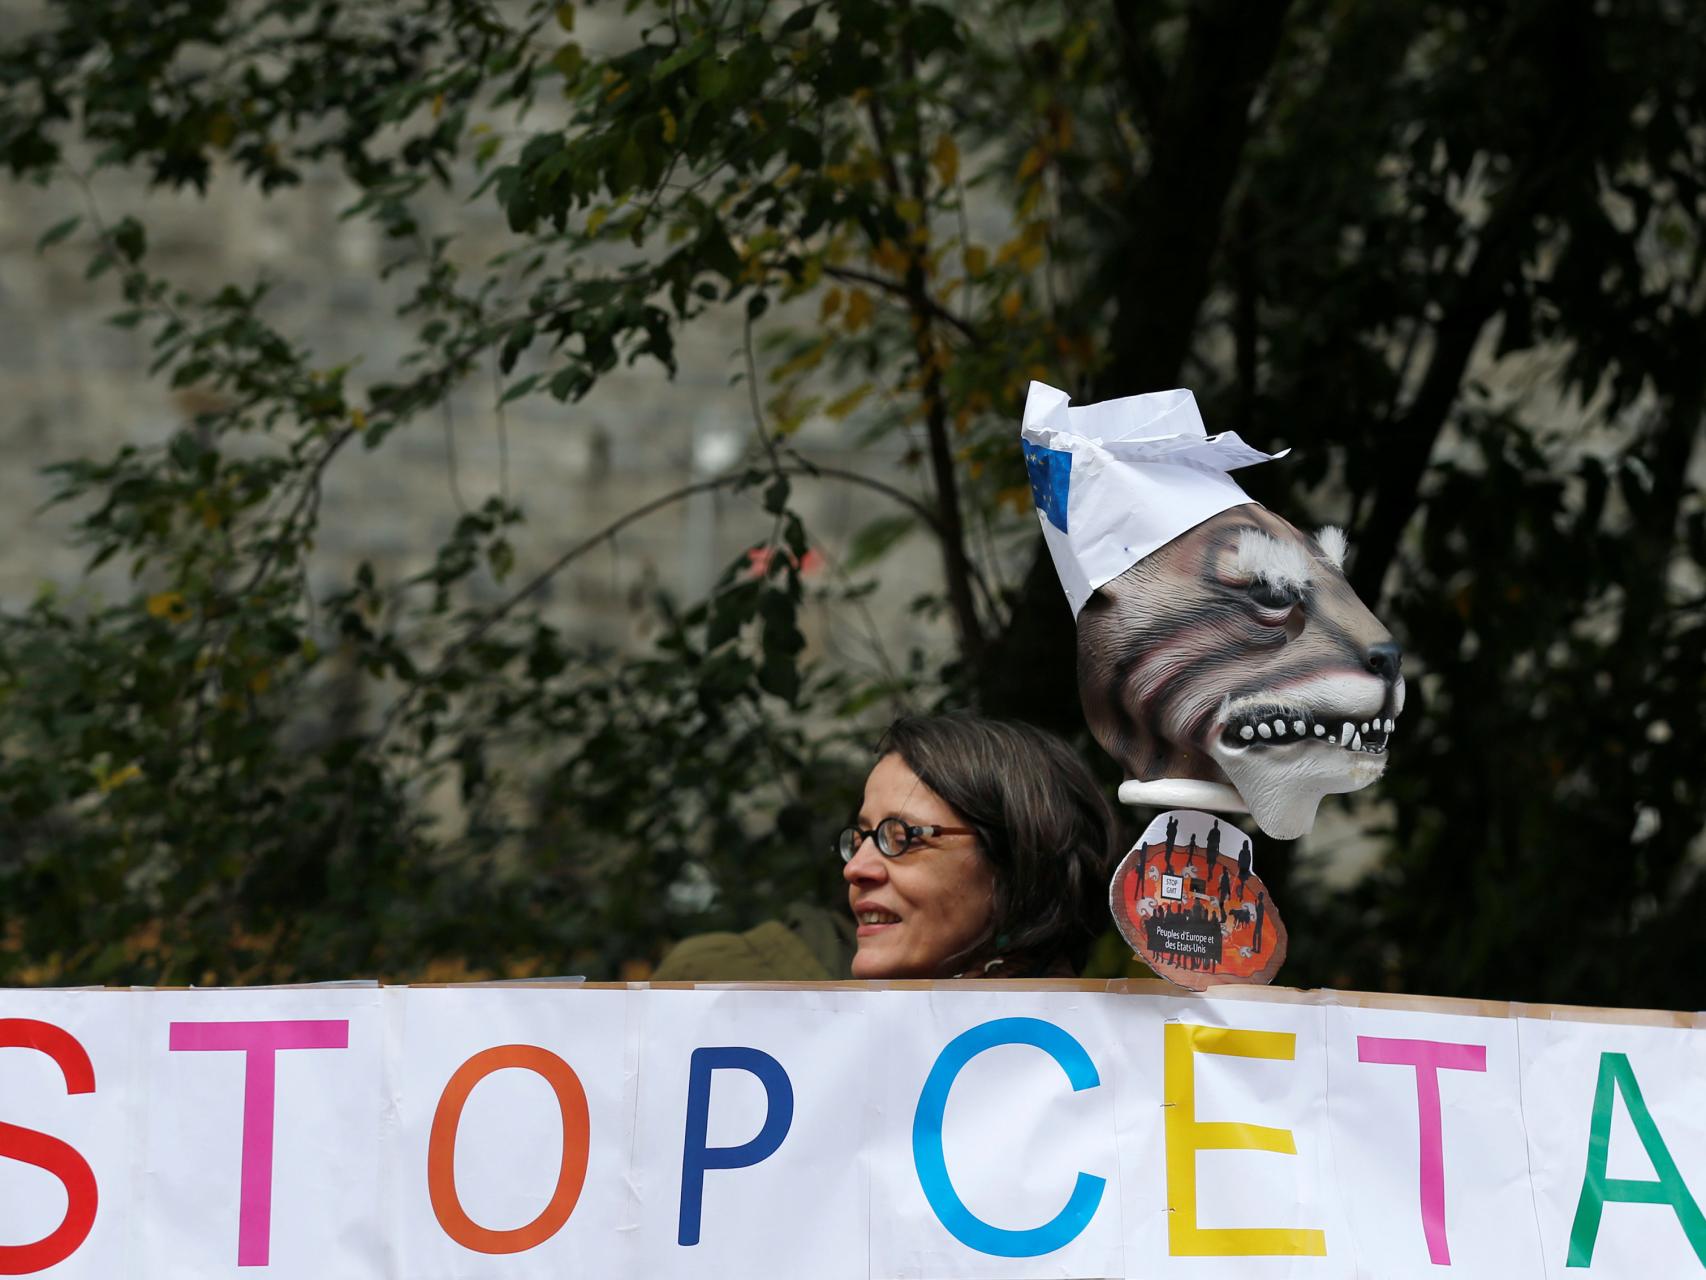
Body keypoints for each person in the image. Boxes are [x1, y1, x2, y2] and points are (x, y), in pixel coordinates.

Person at [838, 713, 1118, 979]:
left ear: (1017, 865)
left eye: (903, 839)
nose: (855, 868)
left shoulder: (1084, 1028)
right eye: (861, 840)